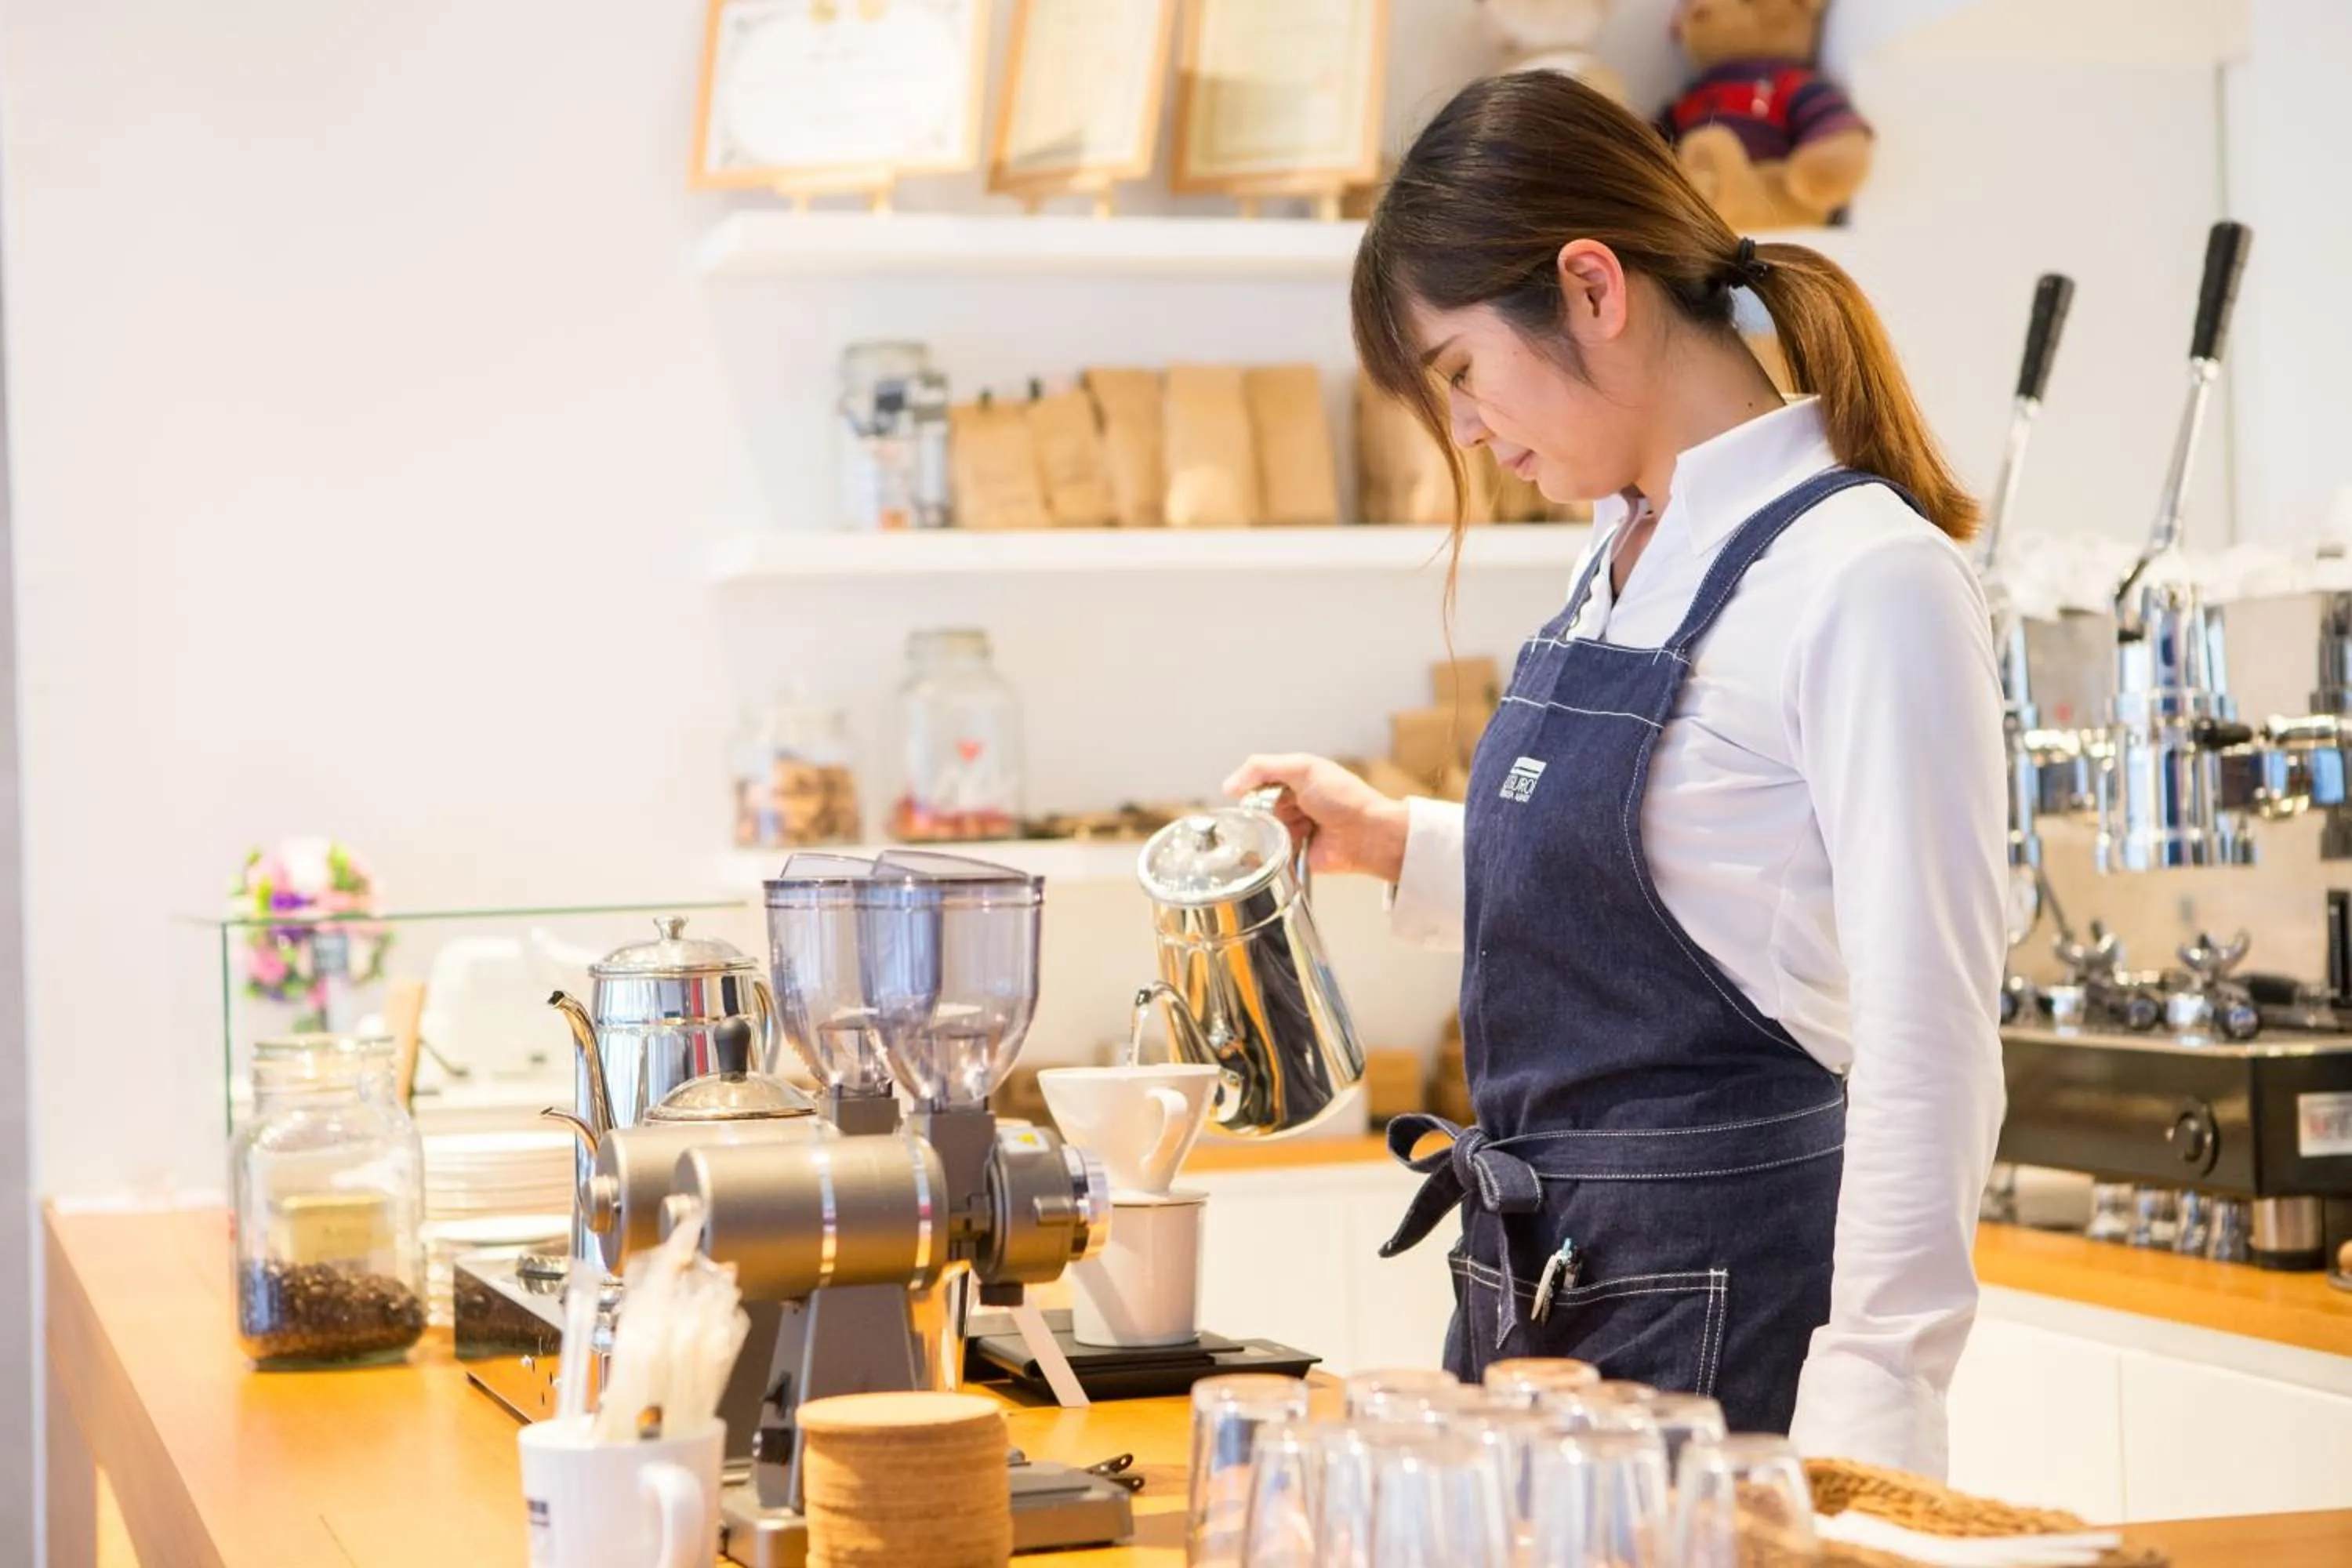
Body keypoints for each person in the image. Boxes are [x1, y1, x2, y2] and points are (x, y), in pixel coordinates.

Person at [1226, 71, 2005, 1476]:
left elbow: (1931, 1044)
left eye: (1460, 375)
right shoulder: (1622, 551)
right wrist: (1405, 841)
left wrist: (1864, 1445)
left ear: (1592, 286)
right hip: (1547, 1311)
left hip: (1732, 1348)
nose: (1462, 433)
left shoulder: (1867, 579)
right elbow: (1694, 878)